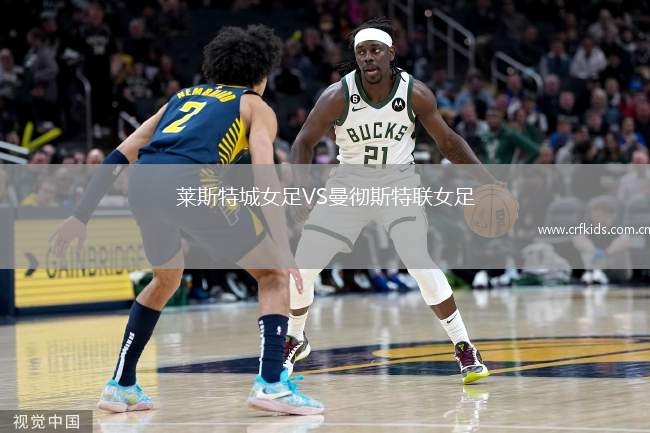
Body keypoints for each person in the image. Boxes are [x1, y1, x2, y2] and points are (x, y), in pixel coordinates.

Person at [50, 25, 323, 416]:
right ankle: (272, 384)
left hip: (143, 184)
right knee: (273, 275)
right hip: (191, 181)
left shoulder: (182, 97)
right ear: (261, 74)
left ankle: (121, 385)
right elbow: (264, 174)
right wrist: (282, 247)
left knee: (166, 279)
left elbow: (119, 155)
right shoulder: (254, 105)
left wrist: (80, 215)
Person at [285, 18, 500, 385]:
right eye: (361, 52)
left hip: (398, 185)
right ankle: (295, 337)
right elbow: (304, 141)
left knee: (419, 263)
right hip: (349, 186)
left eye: (375, 51)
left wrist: (489, 182)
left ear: (390, 54)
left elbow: (448, 143)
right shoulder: (337, 95)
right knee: (304, 264)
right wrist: (299, 192)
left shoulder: (415, 93)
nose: (368, 57)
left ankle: (464, 346)